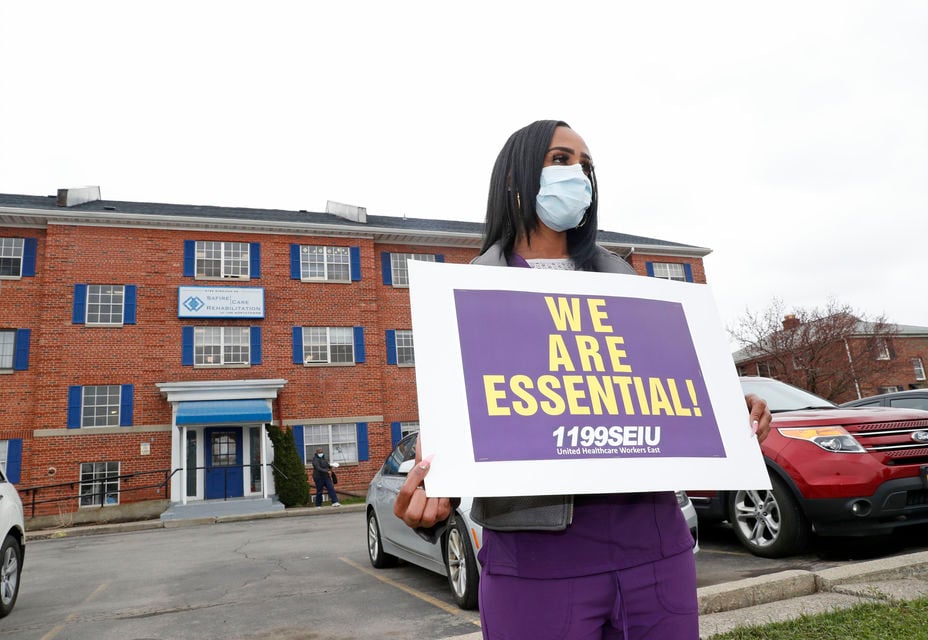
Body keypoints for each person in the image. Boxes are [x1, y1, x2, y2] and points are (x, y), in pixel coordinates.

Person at [394, 120, 772, 639]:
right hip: (536, 561)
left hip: (656, 548)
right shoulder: (467, 296)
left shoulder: (628, 283)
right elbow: (462, 439)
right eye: (561, 159)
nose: (579, 175)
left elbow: (669, 393)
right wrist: (432, 501)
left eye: (586, 166)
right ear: (515, 177)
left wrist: (732, 413)